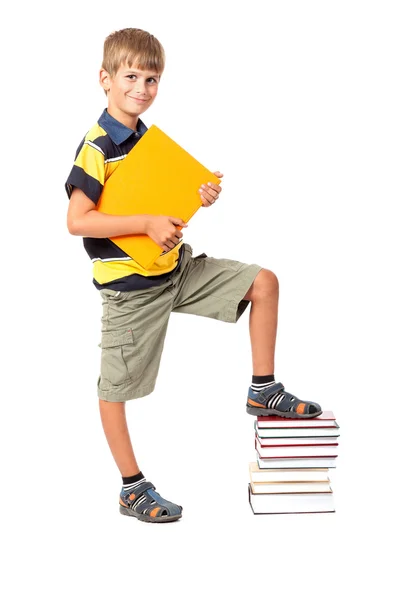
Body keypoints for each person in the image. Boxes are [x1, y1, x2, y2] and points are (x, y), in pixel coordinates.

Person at [65, 27, 322, 524]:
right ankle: (131, 488)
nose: (142, 87)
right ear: (106, 79)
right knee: (115, 390)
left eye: (152, 78)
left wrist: (193, 199)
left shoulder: (146, 140)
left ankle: (262, 389)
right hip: (131, 292)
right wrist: (145, 223)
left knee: (263, 282)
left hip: (175, 269)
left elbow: (155, 208)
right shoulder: (97, 145)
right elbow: (78, 220)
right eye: (131, 76)